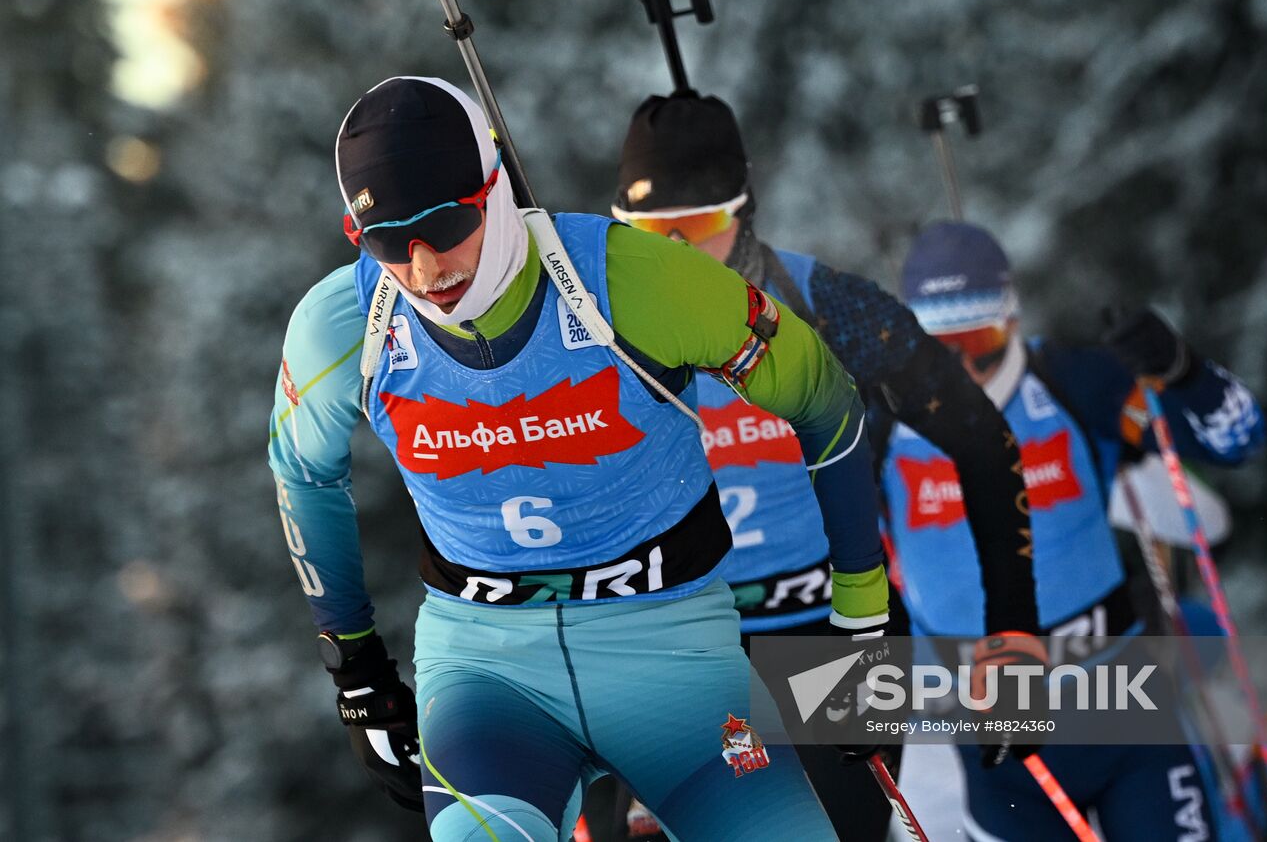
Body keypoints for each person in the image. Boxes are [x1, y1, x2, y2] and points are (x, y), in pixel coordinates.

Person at [267, 75, 896, 842]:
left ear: (494, 188)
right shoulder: (342, 327)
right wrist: (358, 674)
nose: (427, 270)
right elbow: (304, 470)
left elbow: (825, 398)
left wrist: (862, 613)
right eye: (391, 242)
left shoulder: (635, 280)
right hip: (487, 674)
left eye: (448, 223)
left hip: (671, 657)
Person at [594, 91, 1044, 841]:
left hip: (838, 636)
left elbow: (982, 438)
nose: (671, 251)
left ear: (743, 211)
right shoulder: (594, 324)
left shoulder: (824, 305)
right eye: (647, 231)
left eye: (696, 226)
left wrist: (1014, 630)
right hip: (687, 652)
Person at [882, 220, 1267, 841]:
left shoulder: (1075, 383)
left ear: (1010, 317)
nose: (964, 370)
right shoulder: (879, 421)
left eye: (978, 338)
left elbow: (1239, 439)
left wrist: (1184, 371)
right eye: (938, 346)